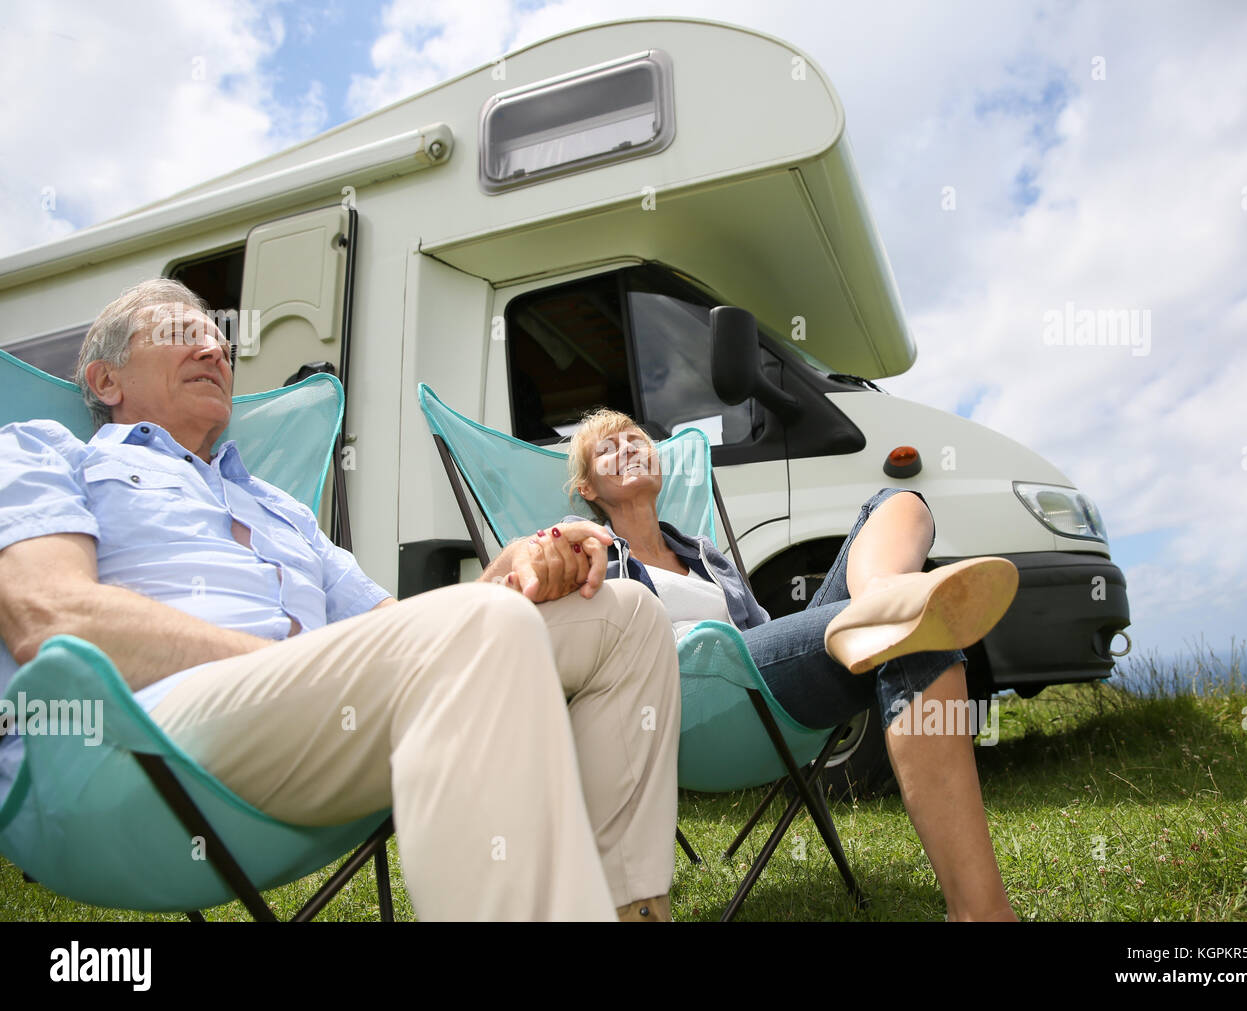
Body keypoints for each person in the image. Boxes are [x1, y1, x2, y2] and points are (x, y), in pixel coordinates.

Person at [0, 279, 680, 922]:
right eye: (182, 331)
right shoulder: (48, 452)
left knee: (627, 617)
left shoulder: (279, 509)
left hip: (317, 723)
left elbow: (403, 634)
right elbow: (52, 617)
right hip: (134, 744)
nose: (214, 347)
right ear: (104, 379)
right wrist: (289, 660)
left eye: (218, 337)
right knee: (482, 626)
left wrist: (515, 568)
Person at [566, 408, 1021, 922]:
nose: (628, 447)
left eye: (636, 438)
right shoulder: (589, 550)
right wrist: (576, 537)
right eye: (609, 448)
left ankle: (880, 596)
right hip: (692, 704)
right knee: (917, 625)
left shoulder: (703, 554)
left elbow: (761, 633)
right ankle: (982, 913)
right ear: (587, 488)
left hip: (757, 683)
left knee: (898, 503)